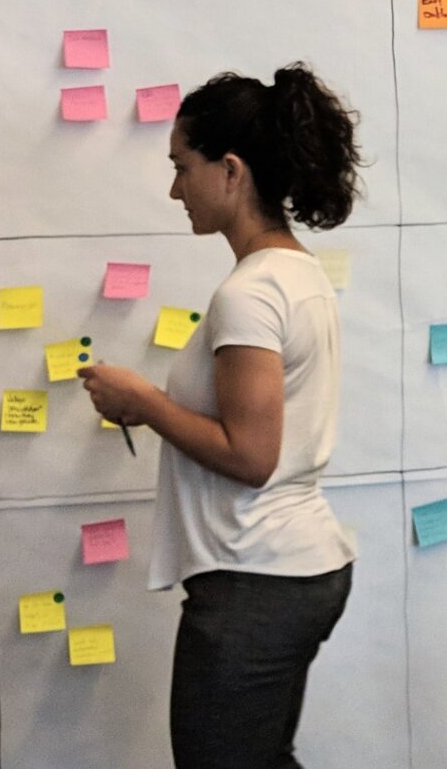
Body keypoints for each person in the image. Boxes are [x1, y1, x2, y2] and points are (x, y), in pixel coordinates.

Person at [78, 66, 363, 769]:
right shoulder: (296, 273)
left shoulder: (251, 293)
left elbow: (251, 455)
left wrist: (141, 400)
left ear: (230, 171)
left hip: (257, 578)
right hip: (284, 570)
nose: (175, 189)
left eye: (183, 168)